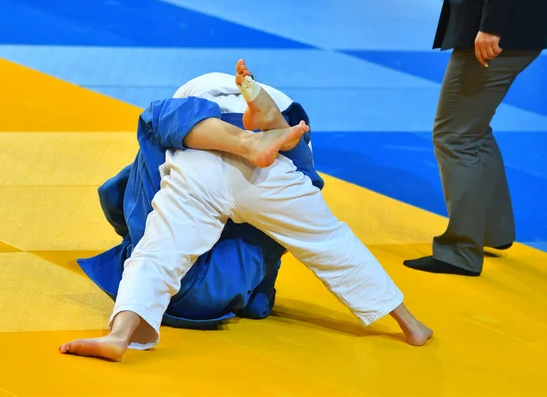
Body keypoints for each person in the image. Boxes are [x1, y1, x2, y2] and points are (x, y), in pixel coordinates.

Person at [61, 60, 433, 361]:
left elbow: (141, 170)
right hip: (276, 165)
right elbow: (312, 203)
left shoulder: (189, 97)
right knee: (330, 244)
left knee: (158, 249)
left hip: (200, 159)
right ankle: (411, 325)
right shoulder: (282, 117)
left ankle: (119, 335)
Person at [404, 0, 547, 276]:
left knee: (456, 136)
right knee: (473, 130)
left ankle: (460, 252)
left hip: (498, 30)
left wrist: (492, 26)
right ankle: (490, 231)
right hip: (509, 23)